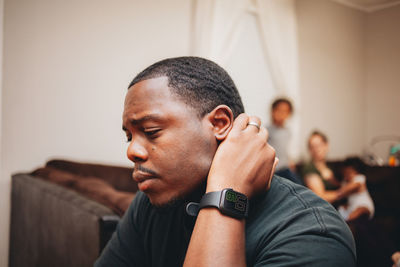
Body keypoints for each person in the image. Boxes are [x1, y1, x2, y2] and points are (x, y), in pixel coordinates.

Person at [95, 57, 355, 266]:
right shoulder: (149, 204)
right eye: (129, 137)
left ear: (219, 123)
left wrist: (225, 193)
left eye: (151, 131)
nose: (131, 151)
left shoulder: (310, 233)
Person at [267, 98, 302, 185]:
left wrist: (290, 162)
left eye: (285, 111)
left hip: (285, 168)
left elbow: (285, 149)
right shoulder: (267, 130)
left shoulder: (288, 132)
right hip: (273, 170)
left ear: (289, 114)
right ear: (273, 111)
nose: (282, 114)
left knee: (300, 186)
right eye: (279, 110)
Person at [302, 131, 342, 203]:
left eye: (319, 145)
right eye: (312, 147)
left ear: (326, 146)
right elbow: (320, 197)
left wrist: (332, 179)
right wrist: (347, 192)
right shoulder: (309, 168)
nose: (316, 149)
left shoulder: (330, 167)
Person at [337, 157, 375, 222]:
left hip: (364, 205)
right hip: (351, 207)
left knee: (360, 210)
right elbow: (339, 186)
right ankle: (344, 220)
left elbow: (351, 187)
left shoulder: (359, 179)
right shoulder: (345, 182)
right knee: (341, 208)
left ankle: (348, 220)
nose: (347, 175)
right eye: (345, 173)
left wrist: (342, 189)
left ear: (357, 172)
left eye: (349, 173)